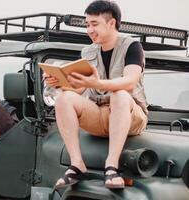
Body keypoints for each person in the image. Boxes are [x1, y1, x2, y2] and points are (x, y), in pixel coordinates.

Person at [44, 0, 148, 189]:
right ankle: (77, 165)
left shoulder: (132, 46)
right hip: (99, 114)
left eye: (94, 24)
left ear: (111, 23)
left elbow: (130, 81)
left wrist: (98, 83)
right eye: (87, 25)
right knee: (64, 99)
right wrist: (59, 83)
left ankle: (112, 166)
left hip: (130, 114)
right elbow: (80, 88)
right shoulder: (87, 51)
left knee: (120, 94)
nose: (89, 30)